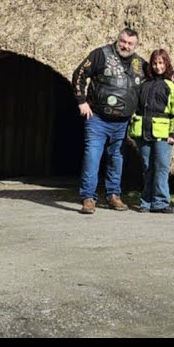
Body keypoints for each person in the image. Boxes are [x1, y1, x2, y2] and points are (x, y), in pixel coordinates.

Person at [72, 28, 148, 214]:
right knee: (92, 157)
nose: (125, 46)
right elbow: (79, 74)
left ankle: (114, 195)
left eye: (130, 43)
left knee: (117, 159)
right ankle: (88, 198)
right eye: (123, 41)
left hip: (123, 123)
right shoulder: (101, 54)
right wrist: (82, 101)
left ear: (135, 45)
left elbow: (157, 76)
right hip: (97, 119)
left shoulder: (140, 63)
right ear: (118, 39)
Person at [130, 48, 174, 214]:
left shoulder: (172, 85)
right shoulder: (143, 84)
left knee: (161, 166)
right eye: (155, 63)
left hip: (162, 132)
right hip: (142, 131)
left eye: (161, 63)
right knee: (147, 167)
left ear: (166, 64)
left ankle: (160, 202)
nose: (158, 66)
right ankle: (146, 201)